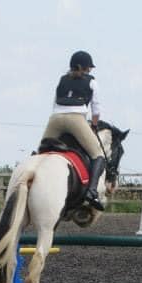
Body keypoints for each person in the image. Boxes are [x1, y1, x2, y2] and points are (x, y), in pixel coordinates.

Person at [42, 50, 106, 210]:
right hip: (76, 120)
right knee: (98, 155)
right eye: (89, 67)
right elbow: (96, 110)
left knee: (40, 152)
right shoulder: (92, 82)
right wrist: (94, 125)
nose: (90, 70)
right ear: (84, 67)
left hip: (55, 120)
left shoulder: (62, 79)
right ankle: (92, 192)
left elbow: (54, 103)